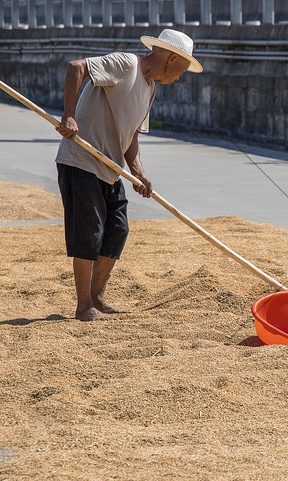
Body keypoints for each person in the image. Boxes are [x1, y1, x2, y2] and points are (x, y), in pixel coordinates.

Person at [55, 29, 203, 321]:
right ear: (172, 59)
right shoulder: (126, 65)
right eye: (183, 68)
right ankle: (83, 305)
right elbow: (77, 67)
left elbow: (131, 134)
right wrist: (69, 115)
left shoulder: (150, 89)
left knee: (118, 229)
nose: (180, 76)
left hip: (110, 169)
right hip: (81, 161)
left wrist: (139, 173)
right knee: (89, 233)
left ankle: (97, 296)